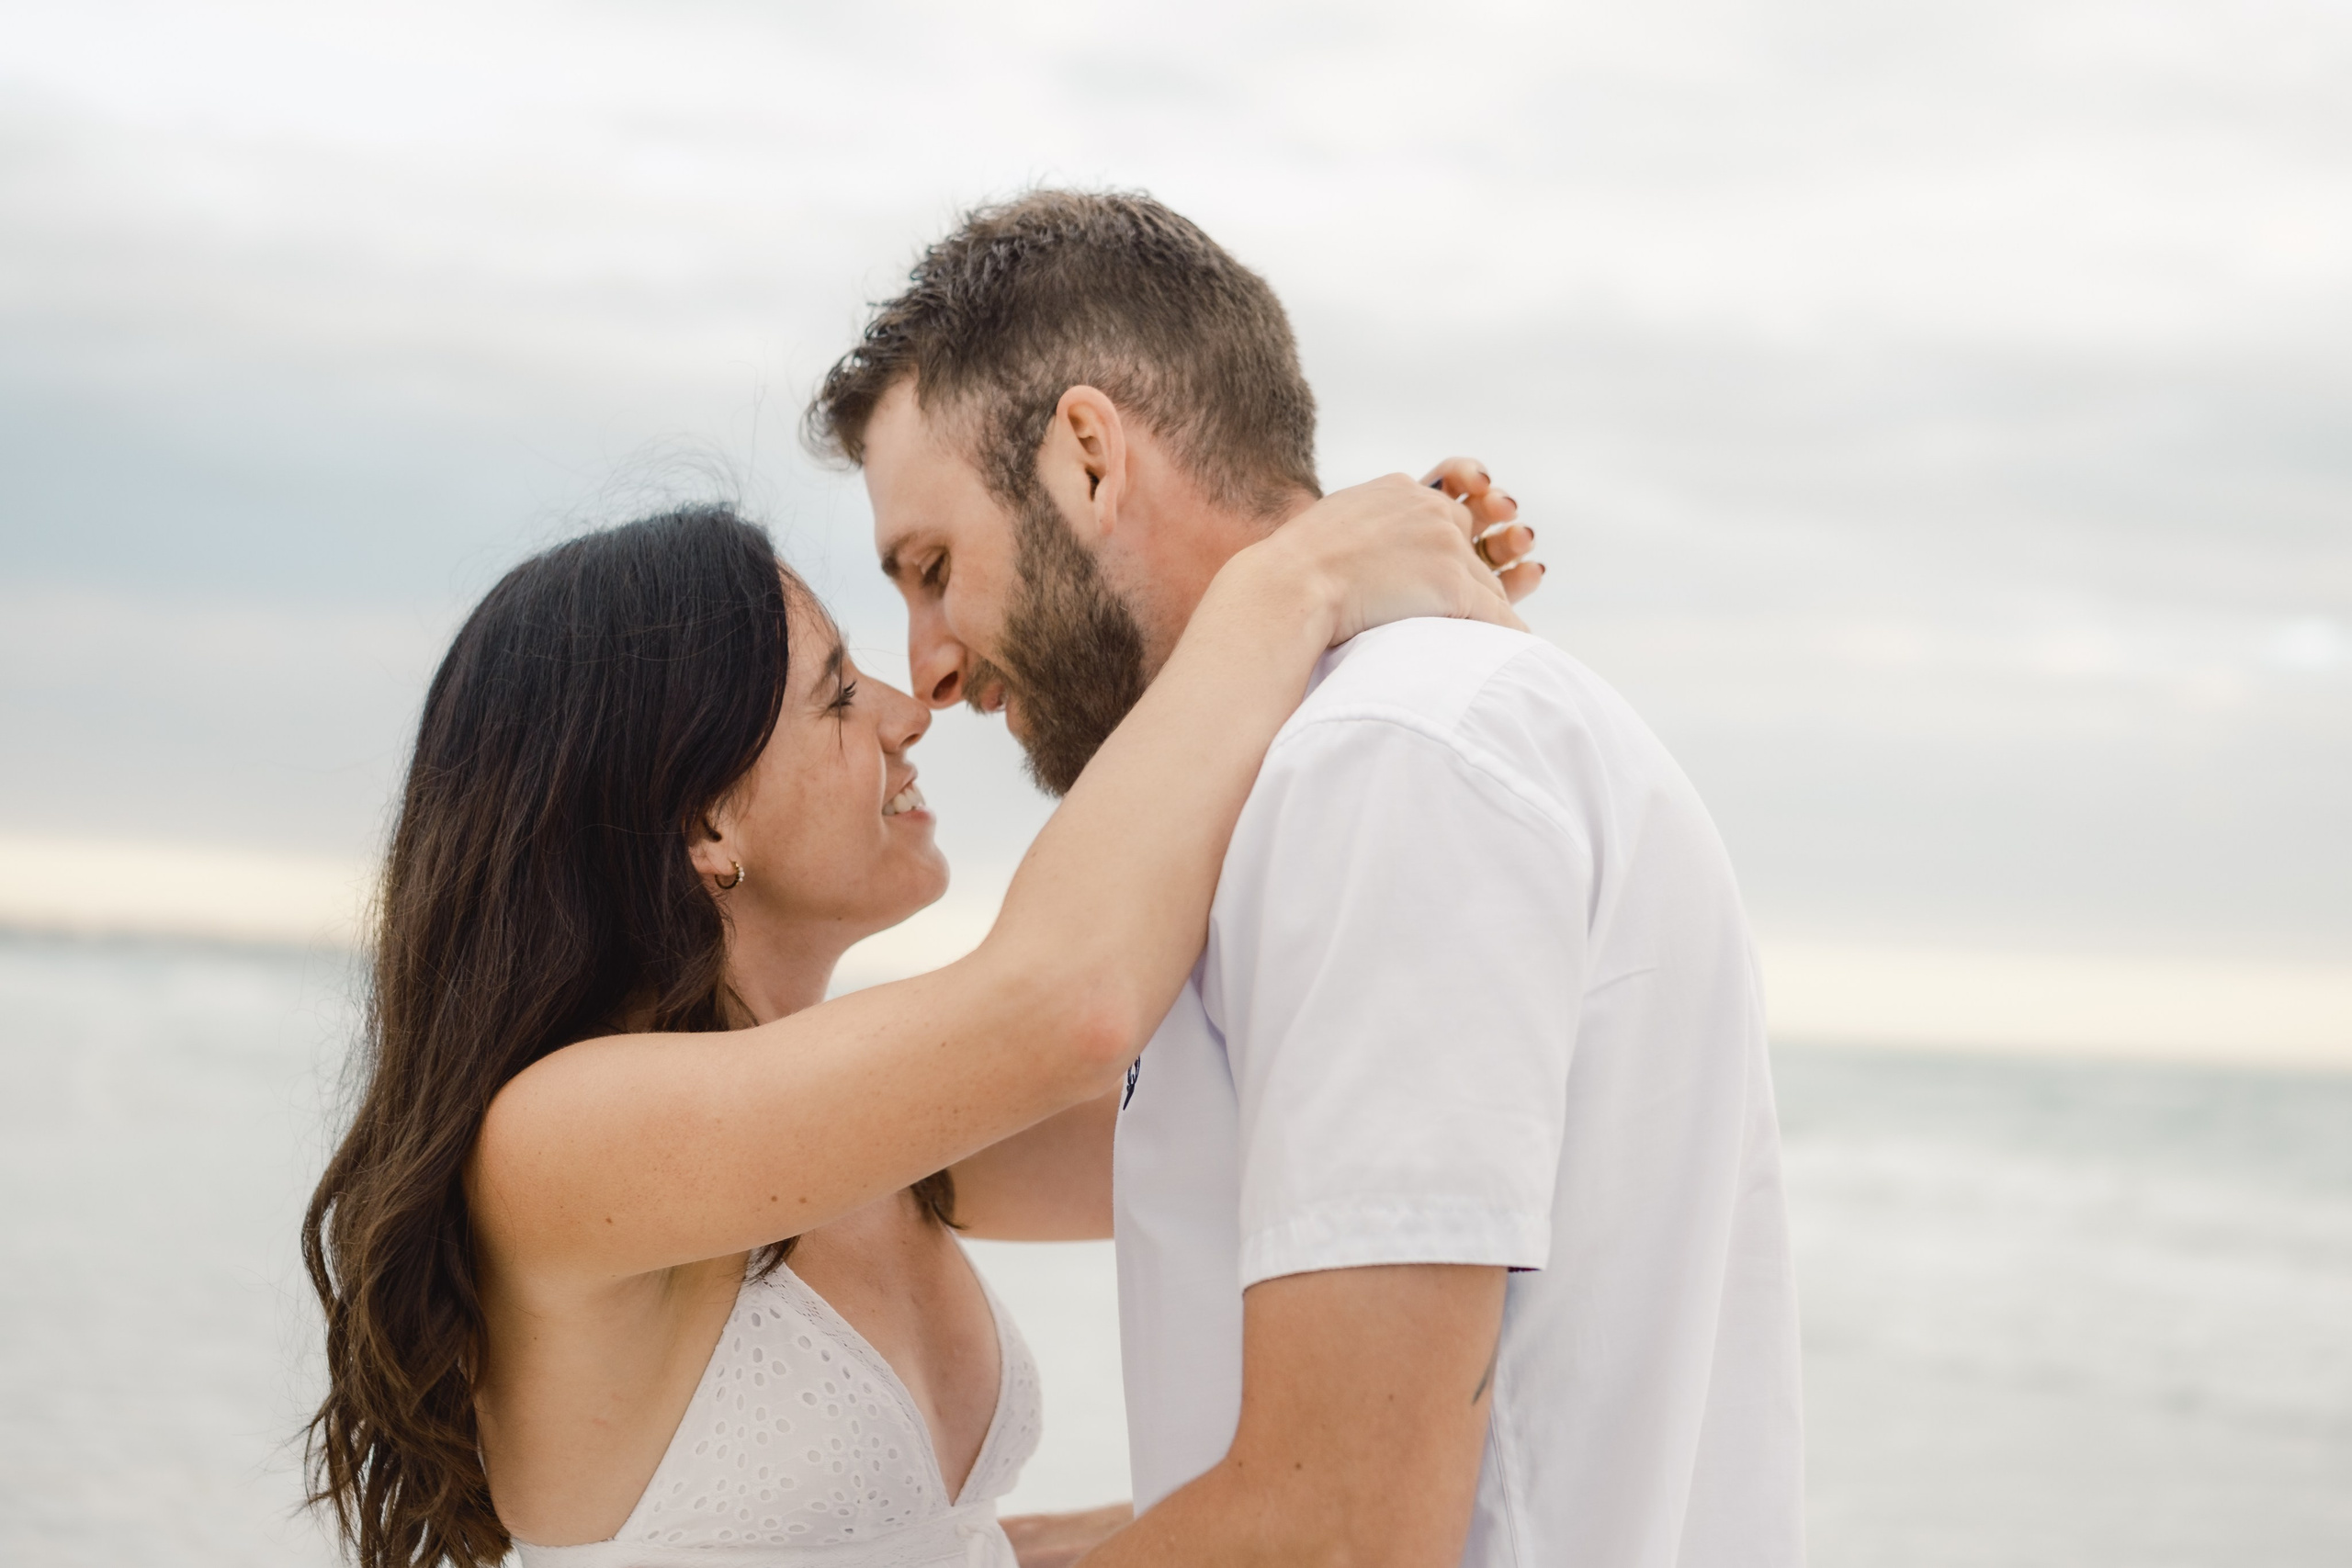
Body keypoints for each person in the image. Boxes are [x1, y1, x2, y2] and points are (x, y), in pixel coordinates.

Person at [808, 189, 1805, 1568]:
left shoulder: (1382, 767)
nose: (927, 667)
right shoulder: (1353, 770)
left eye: (933, 568)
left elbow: (1341, 1534)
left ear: (1090, 459)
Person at [300, 484, 1524, 1568]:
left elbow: (1293, 1109)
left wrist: (1381, 662)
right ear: (707, 826)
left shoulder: (885, 1144)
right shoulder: (562, 1140)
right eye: (838, 696)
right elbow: (1072, 1001)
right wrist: (1290, 583)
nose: (906, 711)